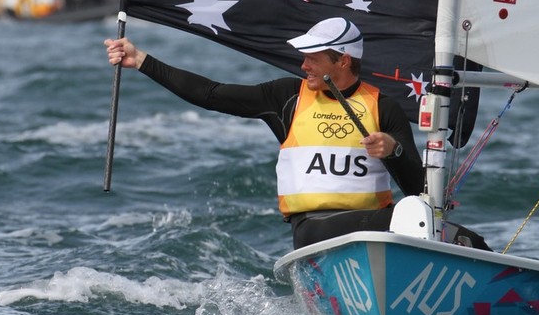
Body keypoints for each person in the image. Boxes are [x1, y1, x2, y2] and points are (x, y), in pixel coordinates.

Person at [105, 17, 427, 250]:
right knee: (405, 225)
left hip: (376, 231)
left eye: (313, 58)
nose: (303, 66)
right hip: (314, 233)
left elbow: (417, 188)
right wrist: (143, 61)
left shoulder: (384, 108)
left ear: (343, 61)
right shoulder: (286, 97)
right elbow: (212, 94)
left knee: (441, 228)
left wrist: (394, 150)